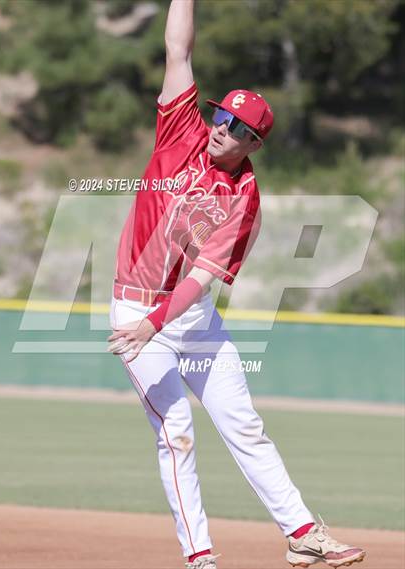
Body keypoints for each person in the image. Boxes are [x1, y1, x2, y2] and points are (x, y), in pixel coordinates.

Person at [107, 1, 366, 568]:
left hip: (184, 322)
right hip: (136, 307)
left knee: (244, 424)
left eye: (239, 128)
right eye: (222, 117)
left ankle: (302, 535)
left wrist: (156, 324)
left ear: (254, 143)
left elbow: (201, 280)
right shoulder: (181, 130)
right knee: (176, 432)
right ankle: (200, 557)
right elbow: (179, 50)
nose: (224, 129)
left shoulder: (244, 198)